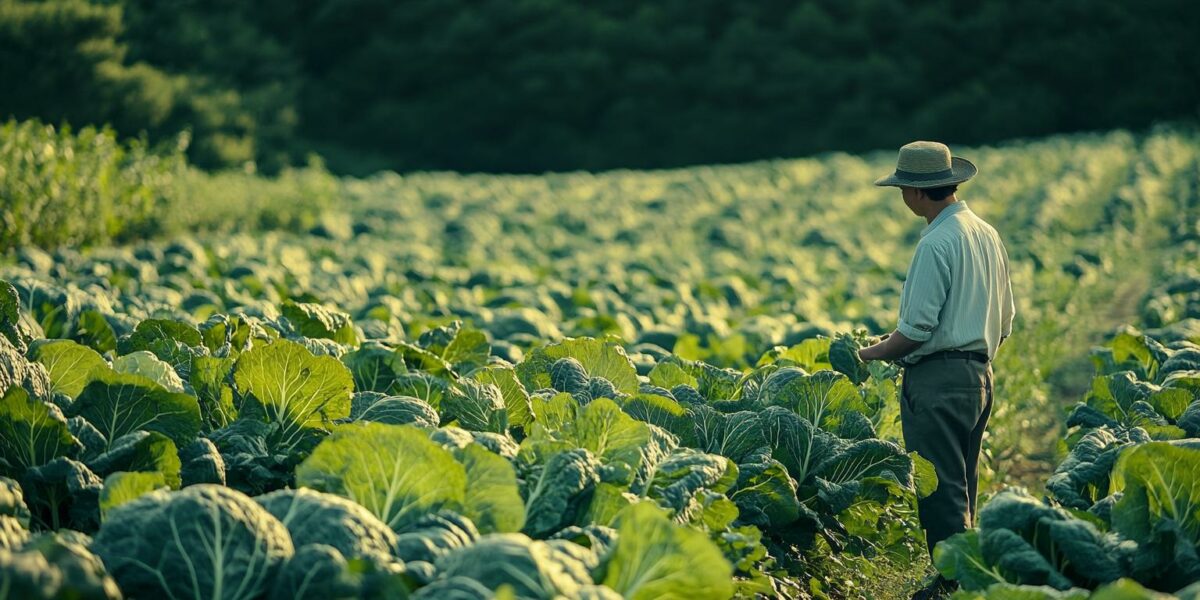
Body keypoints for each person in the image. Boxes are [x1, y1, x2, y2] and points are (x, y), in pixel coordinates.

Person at [856, 141, 1015, 599]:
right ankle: (968, 573)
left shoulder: (935, 243)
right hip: (980, 374)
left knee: (941, 488)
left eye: (903, 188)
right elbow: (1005, 322)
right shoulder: (985, 233)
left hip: (938, 381)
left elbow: (916, 331)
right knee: (964, 480)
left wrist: (868, 354)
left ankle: (953, 583)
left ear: (916, 193)